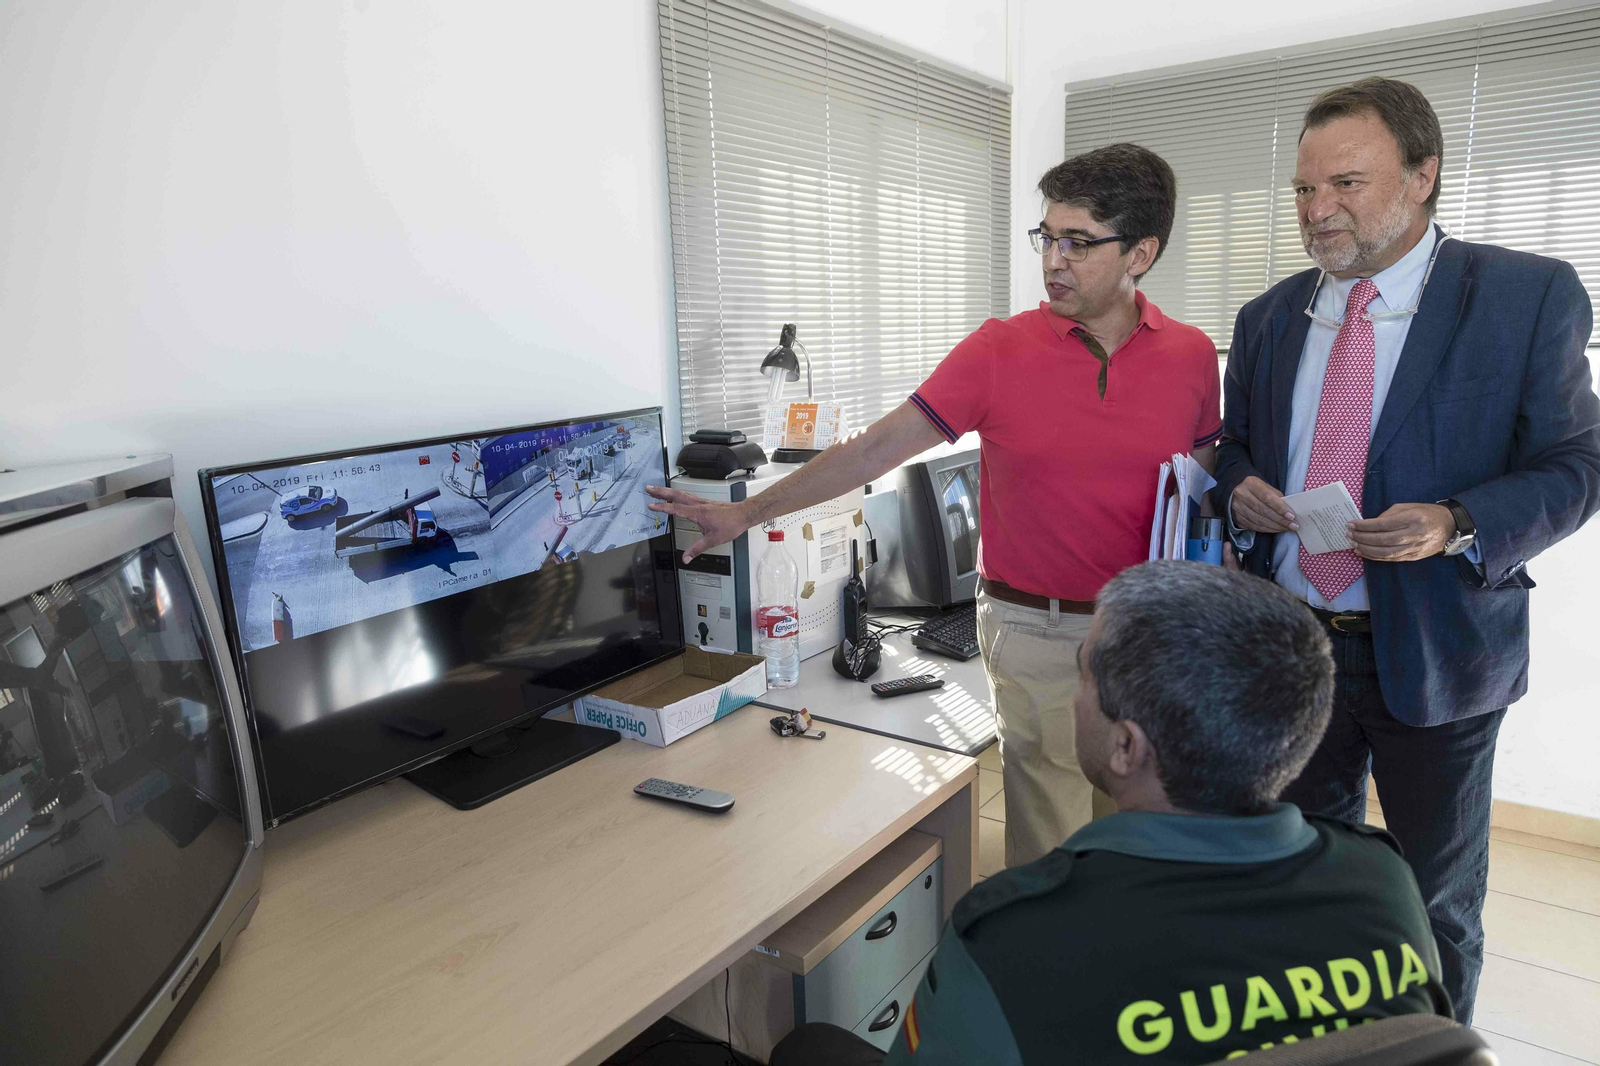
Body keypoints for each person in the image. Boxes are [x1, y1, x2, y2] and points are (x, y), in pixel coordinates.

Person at [648, 144, 1223, 867]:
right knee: (1052, 842)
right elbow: (871, 452)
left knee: (1140, 828)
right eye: (1047, 237)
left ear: (1141, 253)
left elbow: (1196, 492)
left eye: (1078, 242)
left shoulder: (1193, 357)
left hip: (1145, 634)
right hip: (1034, 629)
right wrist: (746, 511)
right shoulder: (997, 351)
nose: (1053, 261)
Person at [1214, 77, 1600, 1022]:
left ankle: (1433, 1049)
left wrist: (1459, 521)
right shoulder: (1267, 316)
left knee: (1431, 904)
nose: (1318, 210)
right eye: (1305, 190)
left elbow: (1578, 463)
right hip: (1292, 649)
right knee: (1298, 882)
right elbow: (1234, 446)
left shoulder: (1524, 294)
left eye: (1345, 183)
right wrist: (1240, 488)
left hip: (1438, 650)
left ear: (1424, 174)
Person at [769, 562, 1451, 1066]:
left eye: (1084, 672)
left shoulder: (1013, 938)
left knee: (809, 1049)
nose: (1072, 696)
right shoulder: (1382, 881)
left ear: (1127, 747)